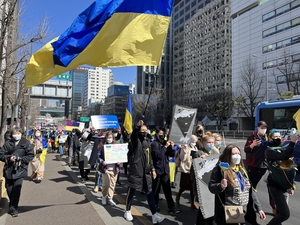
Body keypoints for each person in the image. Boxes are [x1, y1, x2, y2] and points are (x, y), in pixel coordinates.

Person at [208, 144, 266, 225]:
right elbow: (211, 187)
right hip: (231, 209)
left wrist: (259, 208)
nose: (237, 156)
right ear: (227, 156)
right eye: (234, 154)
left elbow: (250, 190)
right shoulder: (219, 169)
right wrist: (220, 186)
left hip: (244, 209)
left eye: (238, 153)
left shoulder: (242, 170)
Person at [124, 120, 164, 224]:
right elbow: (134, 136)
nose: (144, 132)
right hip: (136, 170)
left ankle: (154, 215)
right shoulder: (135, 142)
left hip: (146, 172)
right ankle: (127, 211)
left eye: (145, 130)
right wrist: (137, 127)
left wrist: (153, 169)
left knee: (150, 193)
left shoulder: (148, 143)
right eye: (142, 130)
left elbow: (149, 158)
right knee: (131, 191)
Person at [0, 127, 34, 217]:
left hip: (20, 170)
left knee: (17, 189)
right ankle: (12, 204)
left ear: (21, 134)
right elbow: (1, 154)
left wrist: (22, 160)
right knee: (9, 189)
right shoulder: (8, 143)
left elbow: (30, 155)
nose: (16, 135)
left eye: (18, 133)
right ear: (12, 134)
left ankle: (13, 208)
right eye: (15, 133)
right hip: (9, 169)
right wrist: (9, 158)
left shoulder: (26, 143)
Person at [265, 131, 297, 225]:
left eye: (279, 136)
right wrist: (292, 142)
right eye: (275, 136)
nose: (278, 138)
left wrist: (291, 185)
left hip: (284, 185)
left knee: (279, 213)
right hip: (275, 186)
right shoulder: (269, 151)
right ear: (270, 139)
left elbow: (290, 168)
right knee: (284, 214)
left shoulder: (281, 149)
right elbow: (283, 157)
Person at [151, 127, 180, 215]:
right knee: (156, 190)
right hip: (157, 170)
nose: (162, 135)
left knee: (167, 190)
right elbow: (157, 155)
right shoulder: (154, 144)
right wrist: (165, 147)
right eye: (160, 133)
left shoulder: (165, 143)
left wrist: (171, 147)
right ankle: (154, 205)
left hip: (165, 170)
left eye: (164, 133)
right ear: (156, 134)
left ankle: (171, 207)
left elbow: (172, 154)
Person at [244, 121, 269, 188]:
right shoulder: (252, 138)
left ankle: (251, 194)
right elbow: (246, 149)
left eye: (265, 128)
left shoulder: (268, 138)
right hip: (253, 165)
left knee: (255, 183)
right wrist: (252, 145)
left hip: (264, 165)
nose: (263, 129)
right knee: (250, 183)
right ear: (258, 128)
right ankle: (249, 196)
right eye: (262, 127)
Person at [176, 135, 198, 209]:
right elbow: (182, 158)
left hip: (193, 169)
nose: (194, 143)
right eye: (193, 141)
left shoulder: (195, 147)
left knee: (193, 187)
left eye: (195, 142)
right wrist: (185, 151)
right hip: (186, 169)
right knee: (184, 186)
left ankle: (193, 203)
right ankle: (178, 195)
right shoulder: (185, 147)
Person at [98, 131, 119, 206]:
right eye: (108, 137)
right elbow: (98, 156)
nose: (109, 139)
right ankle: (104, 196)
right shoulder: (102, 145)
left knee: (112, 184)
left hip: (114, 168)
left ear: (113, 138)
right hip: (105, 169)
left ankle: (110, 198)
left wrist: (119, 161)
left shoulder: (116, 146)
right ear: (106, 138)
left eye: (111, 137)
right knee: (106, 184)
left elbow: (120, 155)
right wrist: (102, 161)